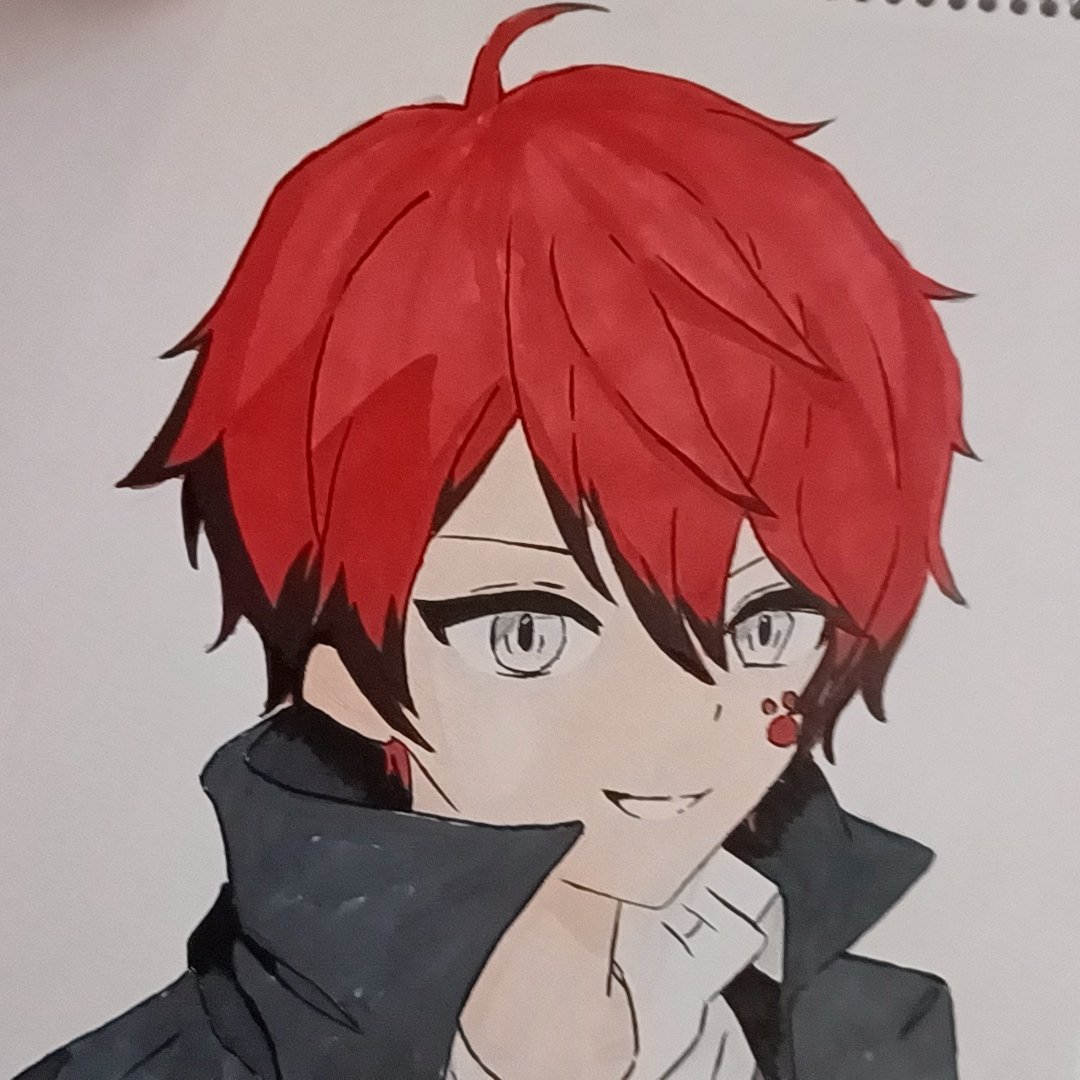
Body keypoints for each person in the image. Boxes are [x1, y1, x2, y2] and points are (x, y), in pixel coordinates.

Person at [15, 5, 970, 1078]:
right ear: (342, 674)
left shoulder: (874, 1034)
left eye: (763, 622)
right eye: (529, 631)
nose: (673, 717)